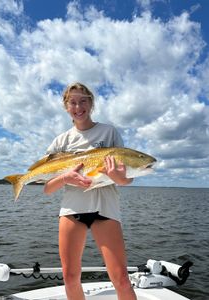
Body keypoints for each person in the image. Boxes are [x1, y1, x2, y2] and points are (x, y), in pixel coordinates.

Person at [44, 82, 137, 300]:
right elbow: (48, 188)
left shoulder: (109, 132)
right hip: (72, 210)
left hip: (105, 209)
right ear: (66, 107)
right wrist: (66, 178)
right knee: (69, 277)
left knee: (121, 279)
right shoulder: (61, 141)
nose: (78, 106)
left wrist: (117, 177)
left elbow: (126, 179)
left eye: (83, 100)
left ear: (91, 103)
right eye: (73, 102)